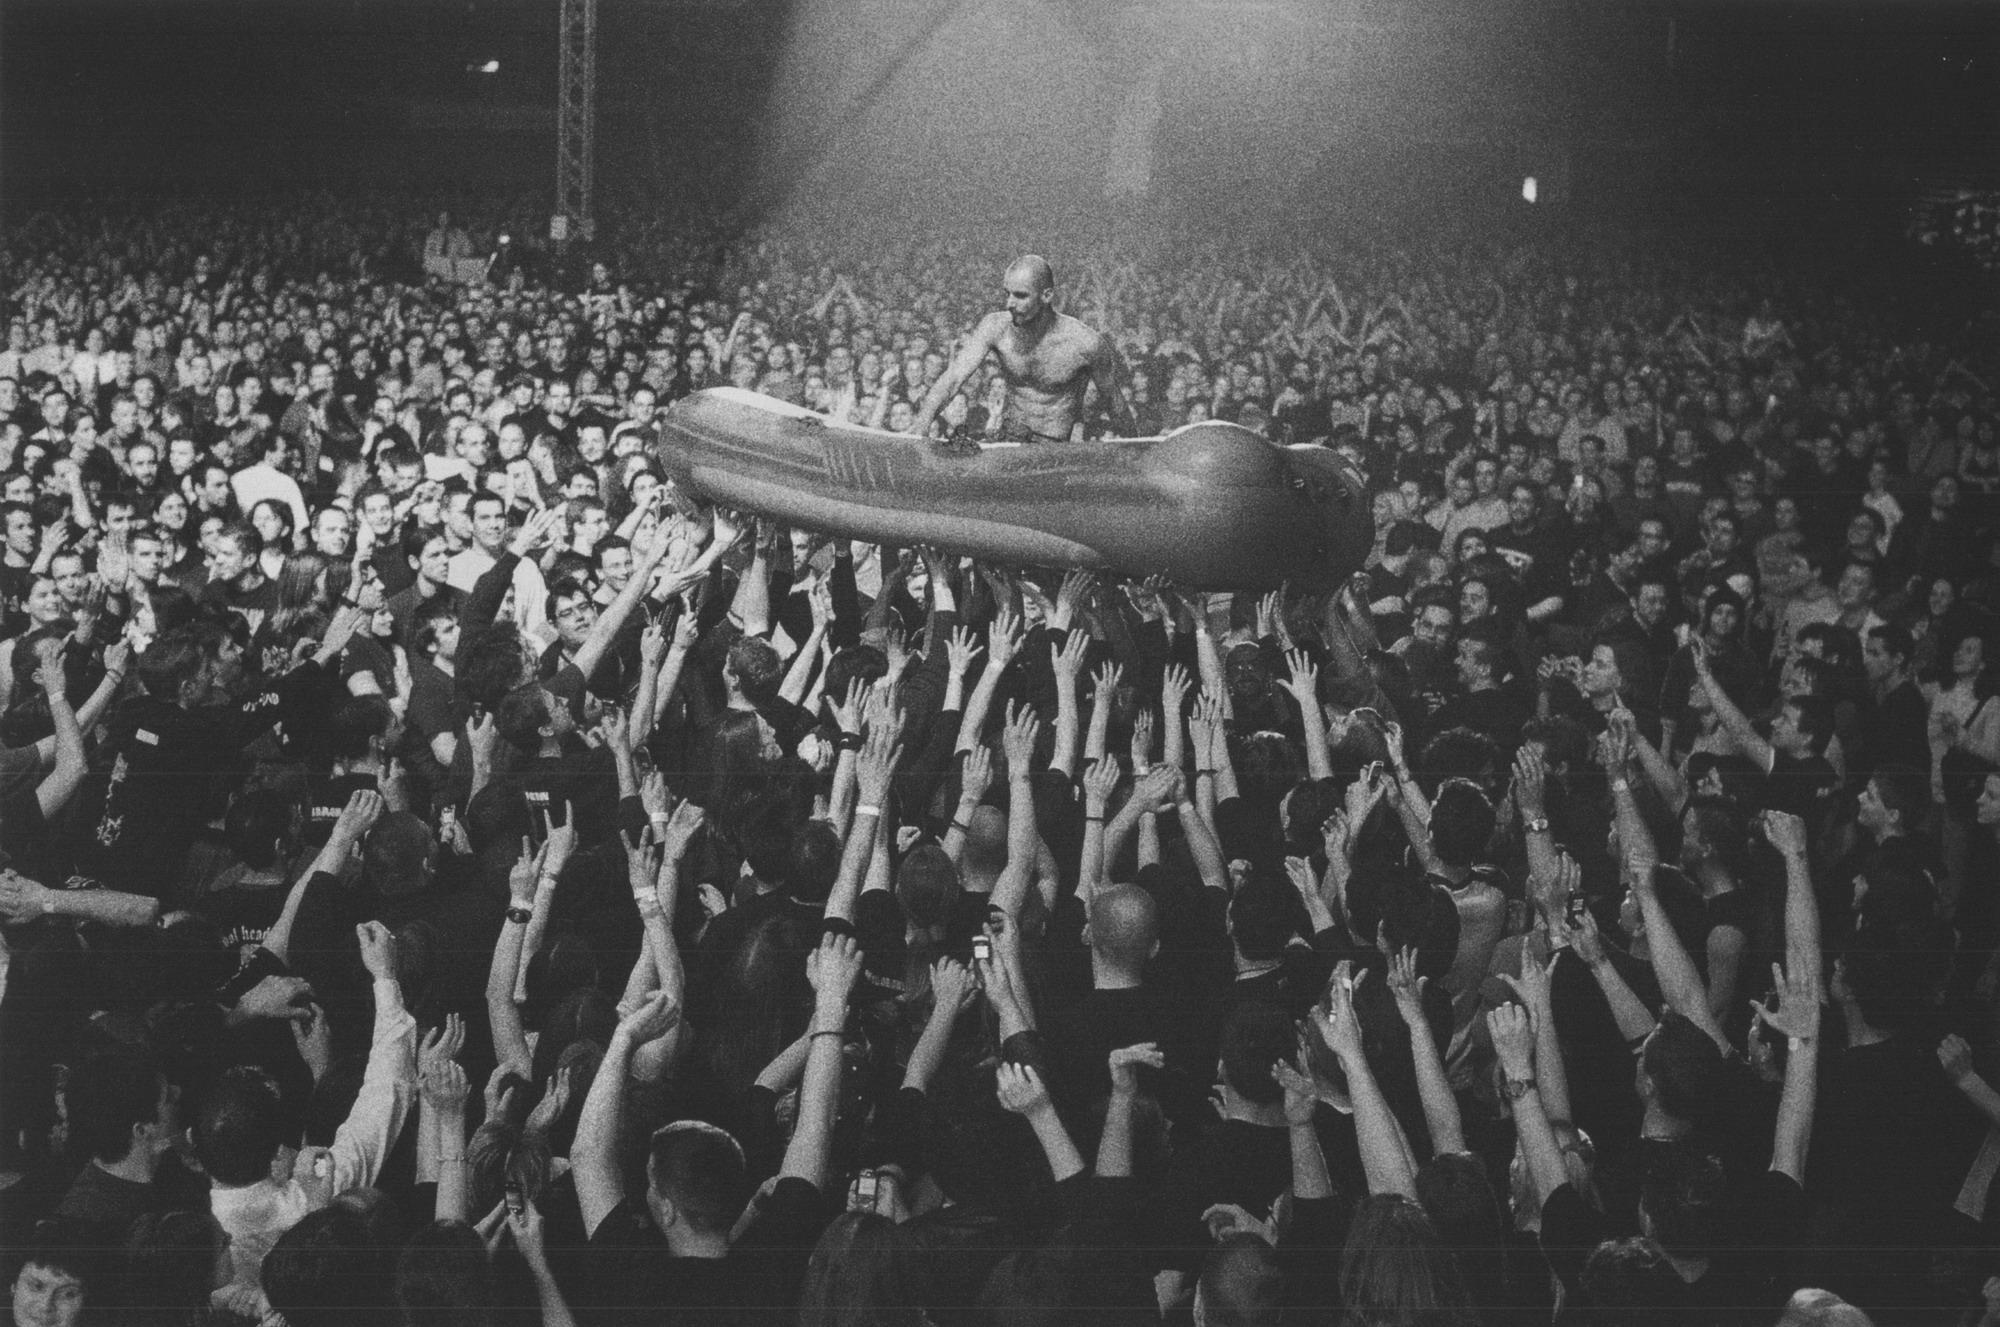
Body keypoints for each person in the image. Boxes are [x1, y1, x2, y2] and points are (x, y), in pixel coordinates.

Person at [908, 255, 1138, 444]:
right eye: (1007, 293)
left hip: (1053, 446)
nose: (1009, 303)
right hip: (1010, 438)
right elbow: (953, 378)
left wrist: (1137, 451)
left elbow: (1114, 402)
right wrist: (920, 428)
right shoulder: (995, 327)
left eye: (1020, 295)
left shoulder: (1085, 342)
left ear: (1047, 295)